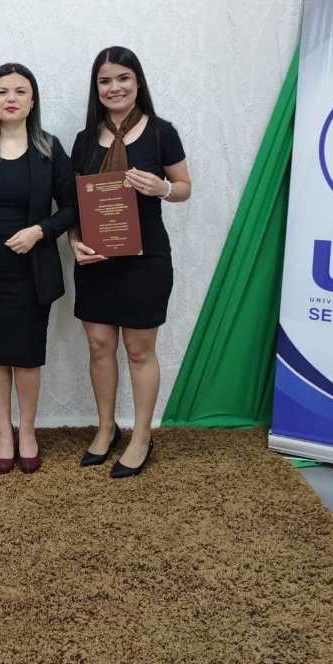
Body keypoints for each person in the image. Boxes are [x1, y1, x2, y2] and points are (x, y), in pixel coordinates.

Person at [70, 46, 191, 478]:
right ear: (96, 88)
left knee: (140, 351)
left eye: (123, 78)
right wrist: (74, 241)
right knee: (100, 346)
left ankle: (141, 436)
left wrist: (161, 188)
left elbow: (184, 188)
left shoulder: (161, 133)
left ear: (137, 82)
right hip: (96, 260)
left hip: (146, 260)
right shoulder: (85, 140)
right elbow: (74, 202)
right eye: (105, 81)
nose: (114, 87)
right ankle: (106, 428)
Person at [0, 63, 76, 475]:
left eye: (20, 91)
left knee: (27, 357)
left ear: (32, 100)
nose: (11, 98)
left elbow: (74, 206)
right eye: (2, 91)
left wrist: (40, 231)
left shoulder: (49, 149)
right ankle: (4, 431)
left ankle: (27, 432)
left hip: (32, 272)